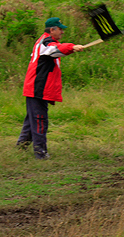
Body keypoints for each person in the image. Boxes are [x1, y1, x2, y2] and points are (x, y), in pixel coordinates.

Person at [17, 17, 84, 160]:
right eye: (60, 29)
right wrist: (71, 47)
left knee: (32, 120)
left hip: (35, 87)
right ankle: (40, 153)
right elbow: (54, 50)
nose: (62, 32)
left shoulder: (46, 41)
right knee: (40, 120)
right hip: (37, 88)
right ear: (52, 30)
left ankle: (21, 147)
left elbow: (56, 50)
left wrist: (69, 48)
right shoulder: (46, 42)